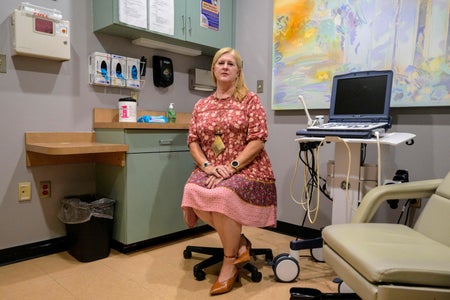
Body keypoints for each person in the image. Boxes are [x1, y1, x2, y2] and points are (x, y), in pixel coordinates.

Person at [181, 47, 277, 295]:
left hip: (247, 166)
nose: (225, 66)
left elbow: (258, 139)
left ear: (238, 72)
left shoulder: (250, 100)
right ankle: (241, 242)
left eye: (231, 64)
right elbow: (192, 140)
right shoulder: (201, 105)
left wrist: (231, 167)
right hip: (211, 167)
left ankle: (229, 261)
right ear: (213, 69)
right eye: (220, 62)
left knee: (223, 196)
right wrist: (207, 167)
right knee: (192, 191)